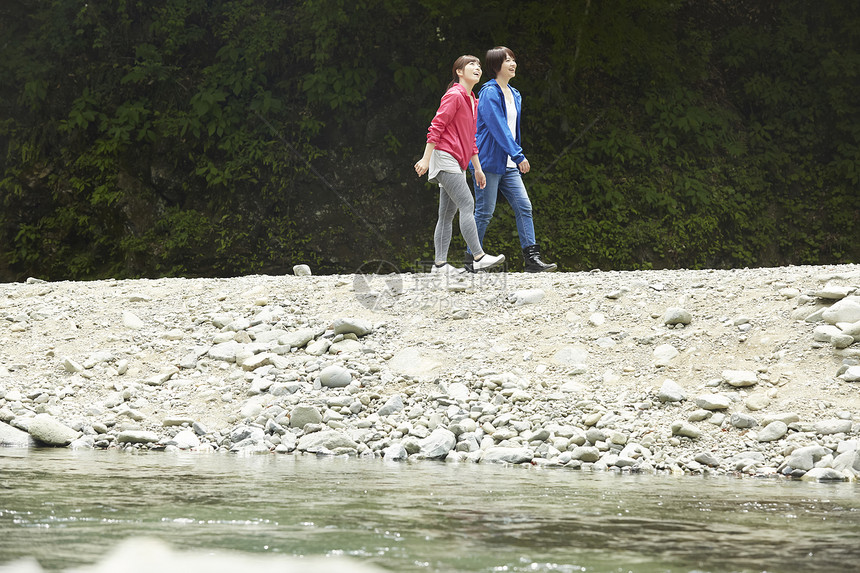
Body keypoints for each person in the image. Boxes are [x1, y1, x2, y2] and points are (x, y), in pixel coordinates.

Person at [467, 46, 556, 272]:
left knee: (524, 206)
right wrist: (518, 155)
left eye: (513, 59)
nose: (512, 63)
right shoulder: (488, 92)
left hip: (508, 164)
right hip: (487, 162)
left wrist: (514, 157)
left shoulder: (515, 94)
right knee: (485, 212)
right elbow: (498, 128)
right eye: (507, 60)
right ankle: (471, 260)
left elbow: (512, 131)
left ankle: (531, 259)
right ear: (496, 66)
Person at [414, 55, 506, 274]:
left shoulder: (472, 99)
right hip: (445, 156)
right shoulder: (454, 95)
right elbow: (436, 125)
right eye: (471, 65)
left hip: (458, 161)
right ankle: (478, 256)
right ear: (459, 71)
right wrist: (426, 158)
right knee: (467, 204)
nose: (477, 68)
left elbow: (471, 138)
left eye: (479, 65)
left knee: (446, 215)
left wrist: (479, 168)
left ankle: (439, 265)